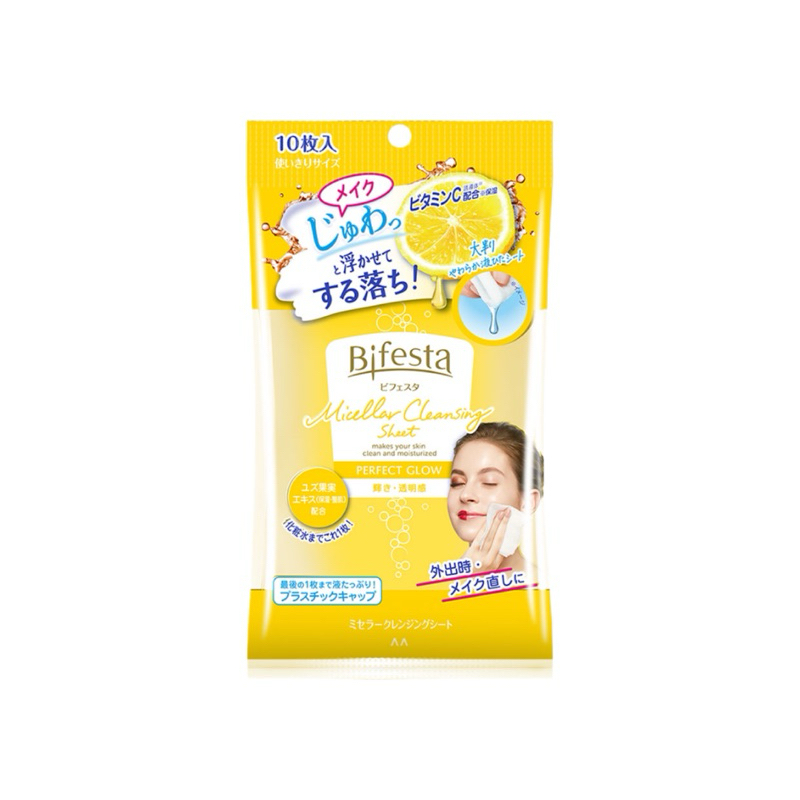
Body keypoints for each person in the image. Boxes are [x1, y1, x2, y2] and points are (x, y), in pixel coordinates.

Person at [447, 421, 543, 573]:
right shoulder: (436, 581)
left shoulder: (548, 585)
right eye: (457, 483)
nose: (465, 495)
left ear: (528, 501)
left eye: (489, 482)